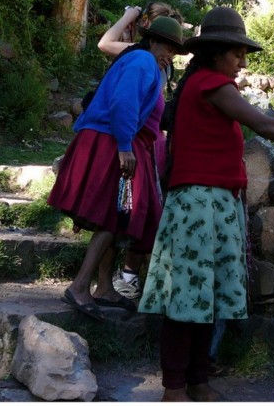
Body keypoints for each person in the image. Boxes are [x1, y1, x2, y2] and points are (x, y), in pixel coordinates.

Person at [137, 6, 274, 402]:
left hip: (211, 203)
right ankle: (174, 388)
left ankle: (197, 380)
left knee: (207, 295)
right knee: (188, 297)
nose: (242, 61)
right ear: (216, 51)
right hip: (199, 204)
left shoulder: (204, 84)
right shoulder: (212, 85)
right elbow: (265, 124)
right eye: (236, 53)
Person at [48, 17, 187, 321]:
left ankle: (104, 287)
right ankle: (81, 286)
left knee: (116, 215)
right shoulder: (142, 61)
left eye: (174, 51)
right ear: (151, 41)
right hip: (112, 143)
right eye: (167, 47)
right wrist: (125, 145)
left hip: (111, 141)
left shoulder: (144, 62)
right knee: (115, 215)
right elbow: (124, 102)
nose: (169, 55)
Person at [97, 2, 184, 300]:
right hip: (141, 137)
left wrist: (127, 16)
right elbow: (105, 45)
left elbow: (105, 43)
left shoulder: (151, 57)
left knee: (142, 208)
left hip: (148, 139)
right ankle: (124, 278)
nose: (169, 51)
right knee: (130, 207)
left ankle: (125, 277)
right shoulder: (146, 58)